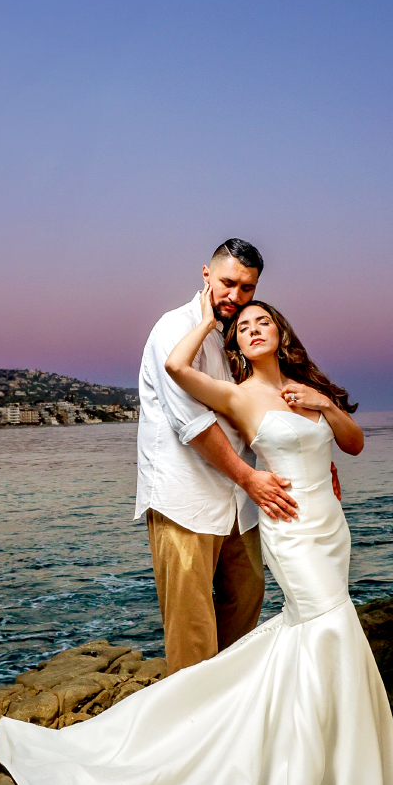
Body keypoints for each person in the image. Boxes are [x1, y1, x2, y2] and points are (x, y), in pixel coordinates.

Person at [0, 282, 393, 785]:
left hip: (331, 525)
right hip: (289, 526)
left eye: (262, 320)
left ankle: (341, 778)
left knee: (324, 631)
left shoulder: (308, 390)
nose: (252, 327)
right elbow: (174, 367)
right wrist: (205, 312)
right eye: (242, 323)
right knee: (325, 625)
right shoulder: (238, 394)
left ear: (281, 334)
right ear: (237, 342)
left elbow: (353, 443)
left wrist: (322, 407)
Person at [134, 237, 302, 674]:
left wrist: (310, 456)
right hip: (184, 500)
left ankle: (227, 710)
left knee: (246, 602)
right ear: (206, 275)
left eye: (247, 287)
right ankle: (190, 729)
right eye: (228, 282)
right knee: (192, 628)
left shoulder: (238, 336)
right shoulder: (174, 329)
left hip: (239, 505)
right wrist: (250, 477)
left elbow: (257, 413)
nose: (236, 295)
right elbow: (194, 426)